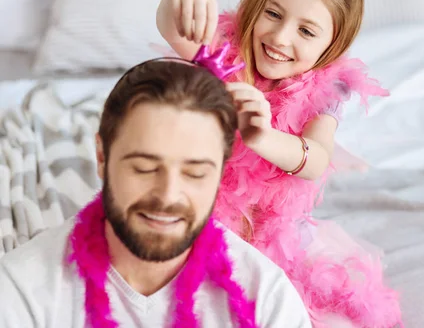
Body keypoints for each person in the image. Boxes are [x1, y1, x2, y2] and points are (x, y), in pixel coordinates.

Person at [155, 0, 402, 328]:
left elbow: (317, 158)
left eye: (306, 31)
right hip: (199, 221)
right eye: (273, 13)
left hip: (273, 240)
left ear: (331, 47)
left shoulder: (328, 89)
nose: (280, 37)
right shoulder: (225, 52)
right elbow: (174, 27)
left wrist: (263, 136)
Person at [0, 59, 313, 327]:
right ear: (101, 156)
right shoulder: (21, 289)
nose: (168, 195)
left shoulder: (267, 300)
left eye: (195, 172)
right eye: (145, 168)